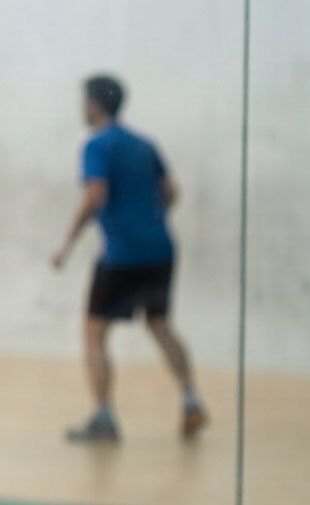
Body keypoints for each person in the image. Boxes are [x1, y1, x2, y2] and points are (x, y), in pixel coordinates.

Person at [52, 75, 207, 442]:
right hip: (160, 250)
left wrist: (67, 244)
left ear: (93, 105)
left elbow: (94, 196)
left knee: (94, 335)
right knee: (160, 325)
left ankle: (104, 417)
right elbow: (171, 191)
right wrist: (150, 222)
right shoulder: (144, 144)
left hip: (121, 257)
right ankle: (191, 401)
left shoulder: (96, 146)